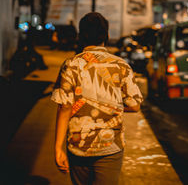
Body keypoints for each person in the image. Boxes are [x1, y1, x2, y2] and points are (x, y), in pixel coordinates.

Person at [51, 12, 143, 185]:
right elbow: (135, 105)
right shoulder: (121, 66)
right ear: (106, 35)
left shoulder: (70, 65)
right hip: (111, 146)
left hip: (78, 146)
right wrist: (111, 105)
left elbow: (64, 107)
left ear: (81, 35)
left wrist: (58, 148)